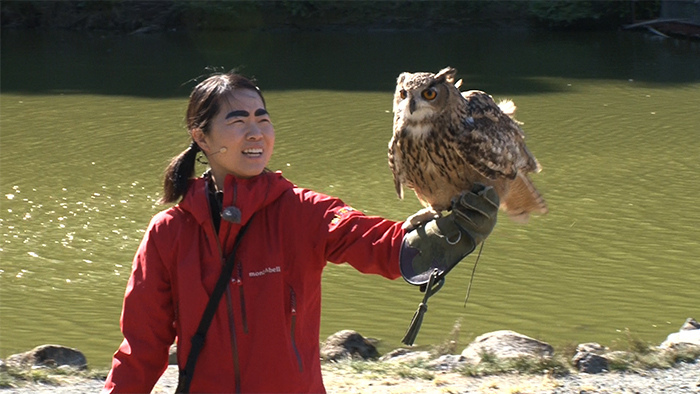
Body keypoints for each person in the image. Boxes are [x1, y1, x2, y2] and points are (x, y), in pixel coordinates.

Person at [103, 71, 499, 393]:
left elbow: (383, 246)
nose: (256, 131)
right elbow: (141, 350)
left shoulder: (303, 212)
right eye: (238, 120)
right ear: (201, 136)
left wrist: (449, 234)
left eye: (263, 118)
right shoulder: (169, 234)